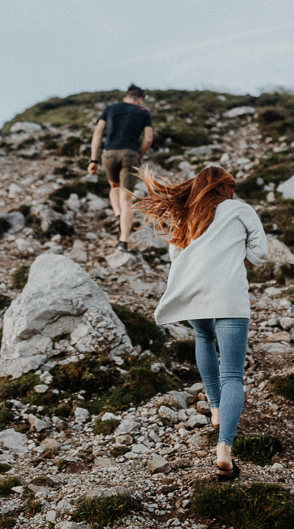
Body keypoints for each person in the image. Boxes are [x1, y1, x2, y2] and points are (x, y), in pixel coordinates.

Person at [138, 165, 267, 479]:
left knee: (204, 339)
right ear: (226, 188)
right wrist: (234, 260)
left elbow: (174, 254)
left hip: (194, 292)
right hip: (229, 294)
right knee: (233, 373)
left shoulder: (189, 215)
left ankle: (215, 408)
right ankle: (224, 448)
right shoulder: (240, 209)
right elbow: (261, 253)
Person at [87, 84, 154, 251]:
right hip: (130, 153)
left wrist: (93, 160)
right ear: (140, 99)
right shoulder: (144, 112)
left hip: (109, 154)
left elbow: (98, 133)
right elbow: (148, 140)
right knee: (126, 199)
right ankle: (123, 242)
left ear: (126, 97)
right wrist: (139, 156)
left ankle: (118, 214)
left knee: (113, 186)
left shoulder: (110, 108)